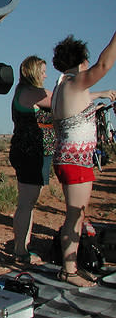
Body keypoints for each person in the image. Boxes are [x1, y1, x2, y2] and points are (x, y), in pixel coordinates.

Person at [51, 31, 116, 287]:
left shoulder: (62, 87)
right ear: (81, 61)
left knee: (75, 215)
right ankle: (69, 270)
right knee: (75, 216)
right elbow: (105, 65)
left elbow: (76, 112)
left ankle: (70, 267)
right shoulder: (74, 82)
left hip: (68, 159)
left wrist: (99, 100)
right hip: (76, 162)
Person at [9, 56, 54, 265]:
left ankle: (23, 247)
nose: (46, 75)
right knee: (27, 203)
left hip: (32, 152)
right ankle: (20, 251)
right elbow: (64, 101)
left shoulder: (23, 92)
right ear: (34, 72)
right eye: (43, 71)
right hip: (31, 153)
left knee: (28, 203)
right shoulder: (33, 93)